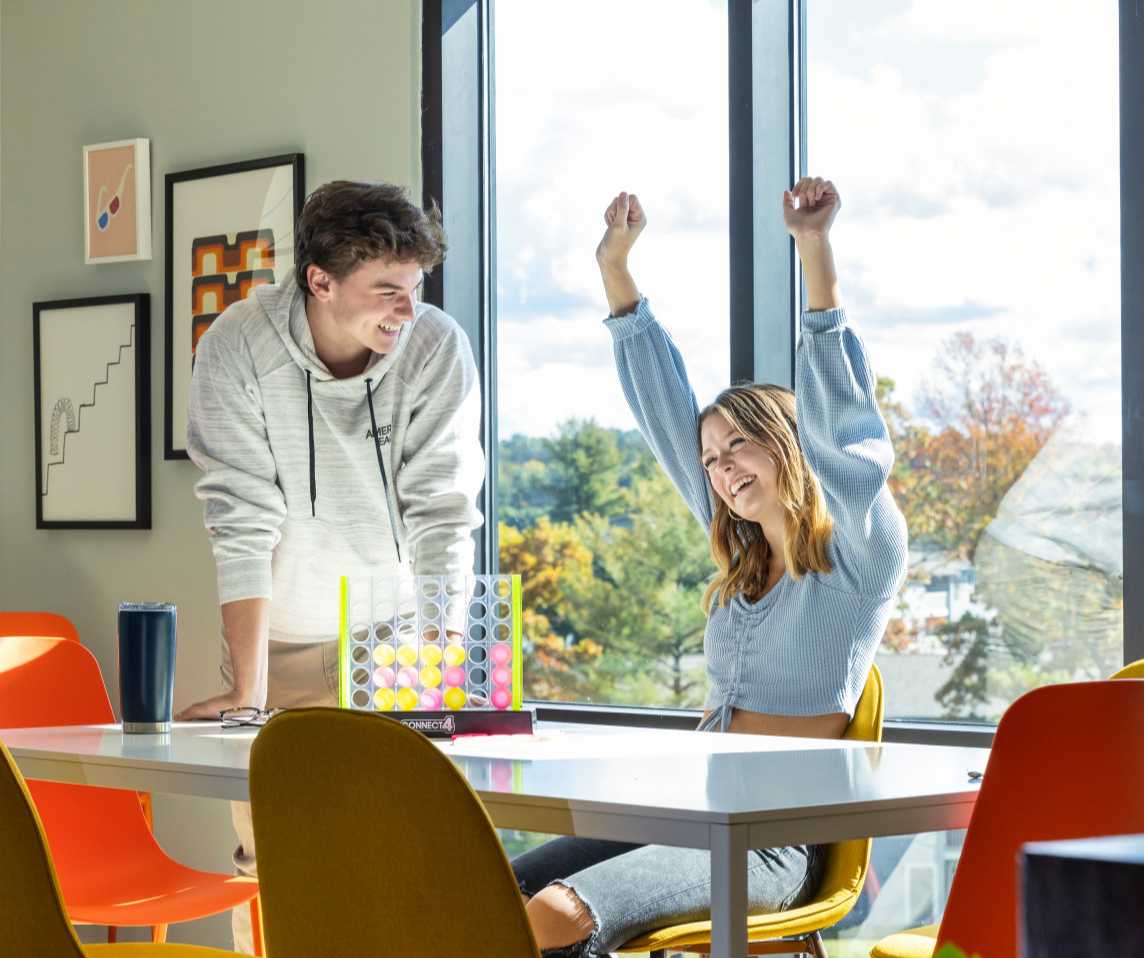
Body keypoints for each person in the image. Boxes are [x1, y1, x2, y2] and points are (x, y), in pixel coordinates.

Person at [512, 178, 909, 957]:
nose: (722, 471)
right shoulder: (741, 552)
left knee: (553, 917)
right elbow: (664, 410)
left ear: (789, 446)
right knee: (481, 892)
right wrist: (616, 271)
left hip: (769, 845)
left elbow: (848, 435)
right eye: (712, 459)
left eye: (740, 447)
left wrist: (813, 250)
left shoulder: (860, 558)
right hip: (685, 814)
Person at [177, 180, 484, 952]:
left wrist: (445, 652)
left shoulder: (435, 346)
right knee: (278, 868)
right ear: (319, 280)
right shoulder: (236, 347)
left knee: (399, 856)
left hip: (394, 639)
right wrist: (246, 695)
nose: (407, 311)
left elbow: (444, 509)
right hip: (277, 637)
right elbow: (240, 520)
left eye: (415, 288)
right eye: (387, 290)